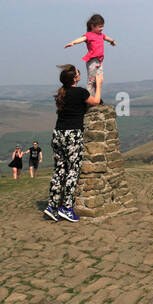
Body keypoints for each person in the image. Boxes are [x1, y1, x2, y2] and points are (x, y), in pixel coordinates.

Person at [44, 64, 103, 222]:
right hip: (72, 135)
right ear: (75, 78)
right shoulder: (80, 92)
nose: (79, 74)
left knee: (59, 170)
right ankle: (67, 208)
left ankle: (53, 206)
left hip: (58, 134)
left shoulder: (62, 93)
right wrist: (99, 85)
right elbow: (96, 101)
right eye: (78, 73)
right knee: (72, 170)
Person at [64, 13, 117, 85]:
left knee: (100, 80)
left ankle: (96, 95)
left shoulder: (101, 35)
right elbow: (82, 39)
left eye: (103, 26)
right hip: (92, 60)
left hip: (100, 60)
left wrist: (112, 41)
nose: (102, 28)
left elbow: (107, 38)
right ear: (93, 26)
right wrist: (73, 42)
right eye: (100, 27)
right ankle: (88, 94)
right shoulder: (89, 35)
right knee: (91, 80)